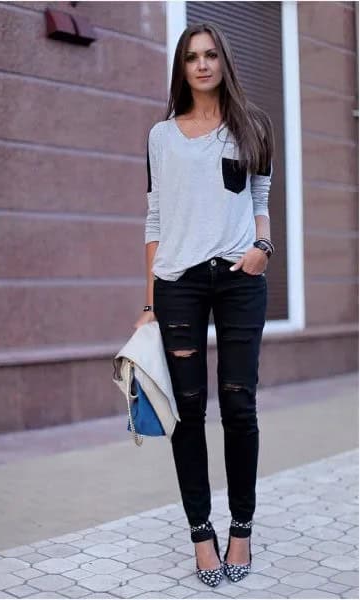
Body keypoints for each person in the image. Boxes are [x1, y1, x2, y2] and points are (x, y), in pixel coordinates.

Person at [134, 21, 275, 588]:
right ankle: (201, 533)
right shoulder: (160, 136)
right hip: (179, 284)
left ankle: (241, 526)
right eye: (191, 56)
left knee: (239, 406)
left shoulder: (253, 126)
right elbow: (154, 220)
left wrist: (263, 247)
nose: (201, 65)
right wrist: (148, 304)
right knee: (187, 412)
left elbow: (260, 200)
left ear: (223, 61)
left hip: (241, 278)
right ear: (181, 66)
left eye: (211, 55)